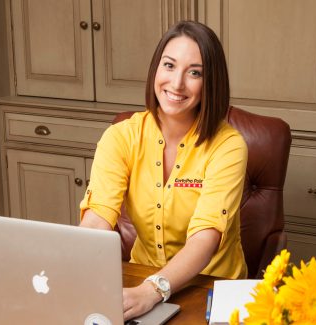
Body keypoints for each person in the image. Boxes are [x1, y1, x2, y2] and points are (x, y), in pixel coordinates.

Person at [79, 20, 248, 320]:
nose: (177, 83)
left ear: (211, 83)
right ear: (156, 69)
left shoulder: (229, 147)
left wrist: (152, 290)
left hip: (210, 290)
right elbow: (97, 220)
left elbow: (204, 240)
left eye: (194, 72)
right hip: (138, 283)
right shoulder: (122, 136)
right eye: (169, 65)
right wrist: (70, 272)